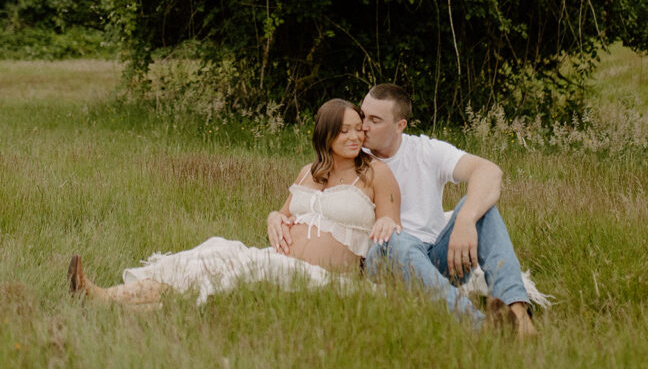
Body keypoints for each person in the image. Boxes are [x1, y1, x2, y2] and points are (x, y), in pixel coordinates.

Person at [68, 99, 401, 308]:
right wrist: (273, 218)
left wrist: (386, 223)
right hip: (277, 260)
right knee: (210, 258)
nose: (355, 137)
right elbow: (282, 214)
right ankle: (109, 299)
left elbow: (391, 222)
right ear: (326, 134)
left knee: (223, 274)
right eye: (345, 131)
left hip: (321, 276)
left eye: (359, 129)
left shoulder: (376, 174)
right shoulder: (308, 172)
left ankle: (105, 299)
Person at [361, 83, 538, 336]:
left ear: (400, 126)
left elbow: (489, 171)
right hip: (386, 257)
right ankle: (480, 327)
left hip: (435, 259)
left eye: (374, 120)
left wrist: (465, 222)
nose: (364, 126)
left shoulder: (424, 150)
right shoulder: (354, 153)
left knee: (479, 206)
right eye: (363, 115)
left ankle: (518, 314)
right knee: (396, 236)